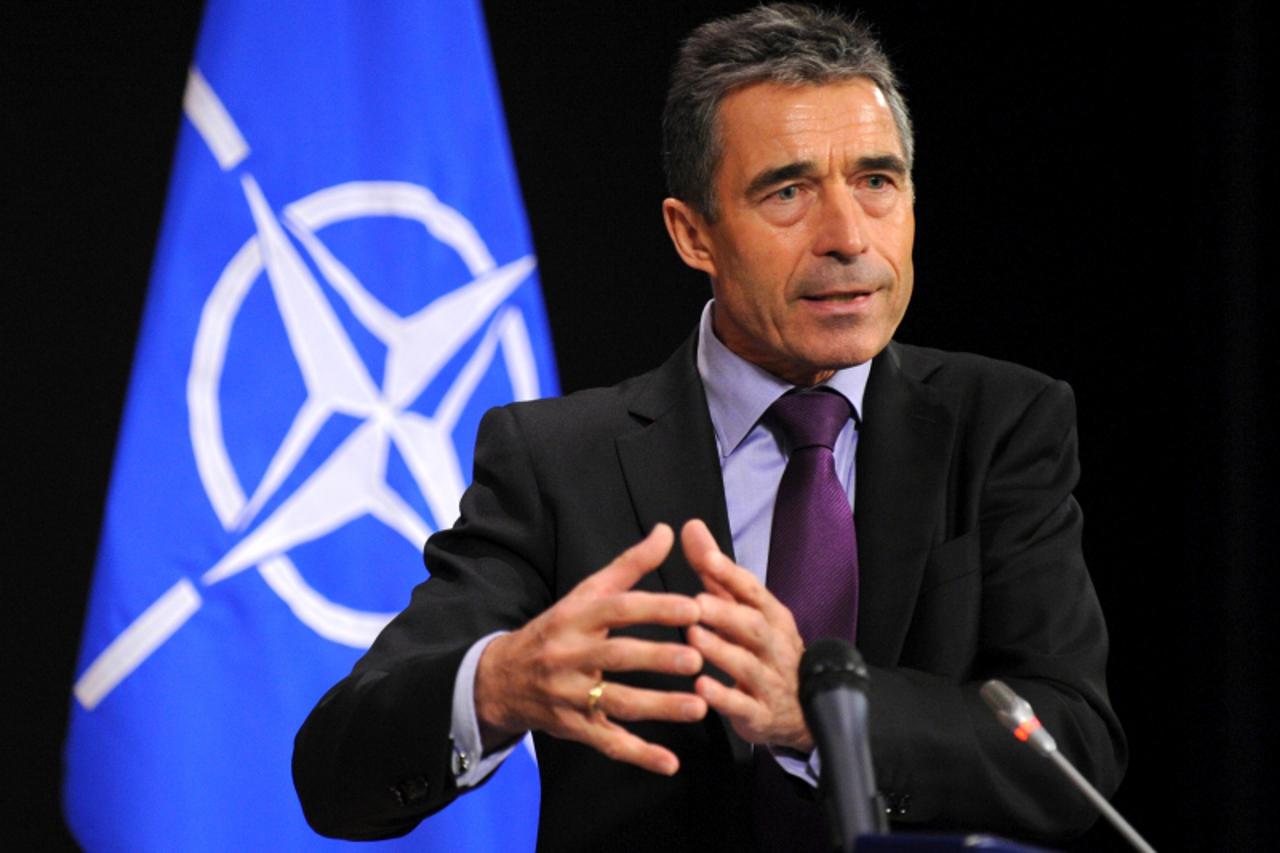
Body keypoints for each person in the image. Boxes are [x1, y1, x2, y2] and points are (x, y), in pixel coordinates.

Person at [293, 5, 1127, 850]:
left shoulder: (1003, 424)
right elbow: (336, 772)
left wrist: (817, 717)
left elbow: (1075, 753)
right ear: (693, 233)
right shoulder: (558, 462)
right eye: (789, 191)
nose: (847, 237)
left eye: (878, 181)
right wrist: (499, 684)